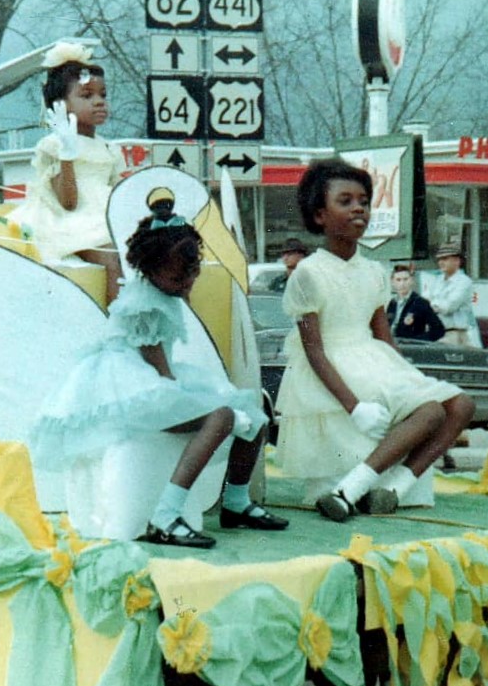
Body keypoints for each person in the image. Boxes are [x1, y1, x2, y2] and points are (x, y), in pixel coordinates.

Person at [31, 211, 287, 549]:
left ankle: (236, 502)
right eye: (177, 278)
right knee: (223, 415)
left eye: (191, 275)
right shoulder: (145, 304)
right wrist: (205, 407)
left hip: (152, 374)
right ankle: (166, 514)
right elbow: (161, 375)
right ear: (149, 270)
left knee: (252, 411)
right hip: (132, 383)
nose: (186, 284)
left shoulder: (162, 291)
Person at [276, 159, 474, 522]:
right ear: (320, 215)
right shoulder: (307, 274)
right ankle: (346, 490)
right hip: (335, 364)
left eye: (364, 202)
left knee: (459, 404)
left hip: (373, 359)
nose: (358, 209)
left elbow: (383, 336)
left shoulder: (373, 271)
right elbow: (315, 352)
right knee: (429, 411)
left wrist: (407, 379)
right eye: (345, 201)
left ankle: (393, 488)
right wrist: (354, 407)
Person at [14, 42, 124, 305]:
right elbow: (68, 202)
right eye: (86, 96)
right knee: (110, 260)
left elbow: (118, 190)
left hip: (106, 215)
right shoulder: (54, 145)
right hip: (70, 220)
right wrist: (67, 154)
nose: (99, 102)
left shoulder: (109, 149)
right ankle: (120, 326)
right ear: (60, 105)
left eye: (103, 95)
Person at [428, 243, 481, 347]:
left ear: (457, 261)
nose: (441, 262)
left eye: (445, 259)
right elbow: (427, 302)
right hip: (436, 332)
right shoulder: (437, 280)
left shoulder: (464, 281)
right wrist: (436, 305)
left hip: (457, 333)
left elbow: (449, 306)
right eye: (439, 259)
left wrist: (434, 304)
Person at [386, 263, 445, 342]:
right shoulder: (391, 304)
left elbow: (438, 330)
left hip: (411, 349)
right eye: (398, 280)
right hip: (392, 347)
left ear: (411, 280)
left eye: (405, 279)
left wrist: (417, 341)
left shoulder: (420, 303)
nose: (402, 283)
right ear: (392, 282)